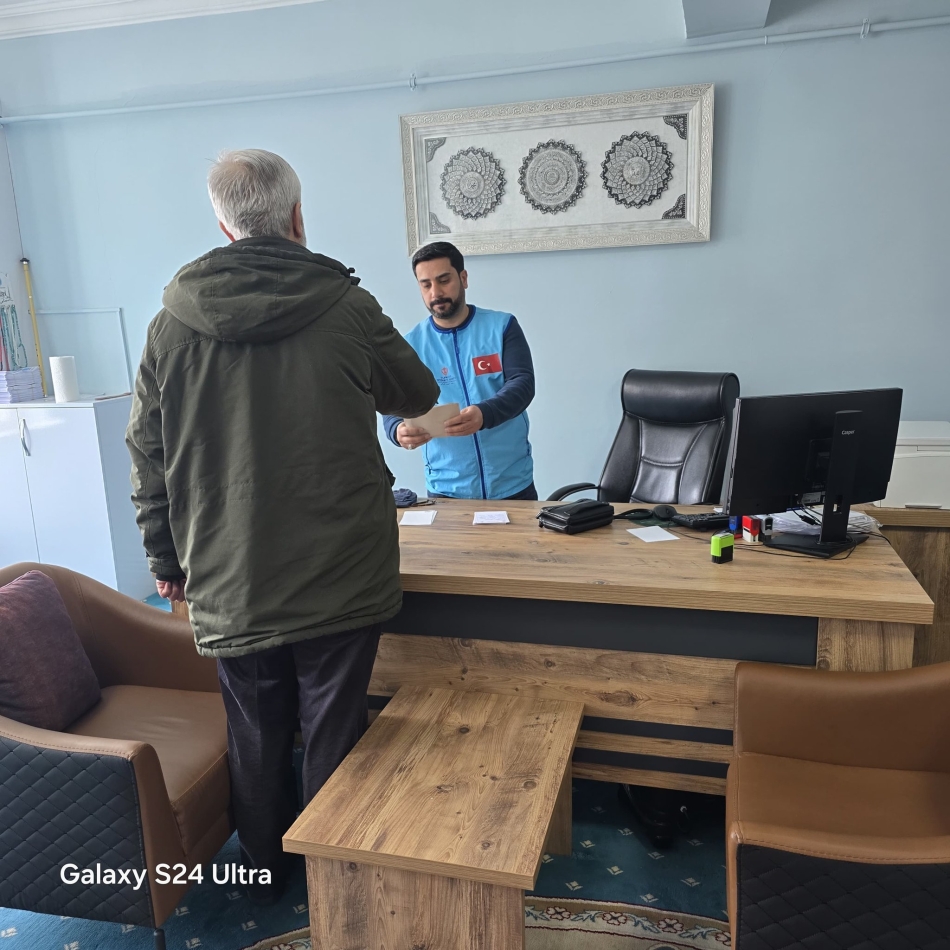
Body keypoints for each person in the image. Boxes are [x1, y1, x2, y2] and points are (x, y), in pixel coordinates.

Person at [126, 149, 438, 903]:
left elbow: (147, 454)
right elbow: (416, 392)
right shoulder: (347, 306)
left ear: (224, 226)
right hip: (342, 568)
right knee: (334, 727)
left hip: (228, 572)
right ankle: (337, 880)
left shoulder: (170, 325)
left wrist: (164, 559)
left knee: (256, 732)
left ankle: (263, 875)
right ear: (297, 217)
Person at [383, 241, 537, 500]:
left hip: (512, 484)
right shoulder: (410, 345)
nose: (436, 293)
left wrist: (484, 414)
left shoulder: (502, 327)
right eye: (426, 285)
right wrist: (397, 430)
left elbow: (522, 383)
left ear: (463, 278)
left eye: (444, 280)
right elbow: (391, 403)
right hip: (446, 489)